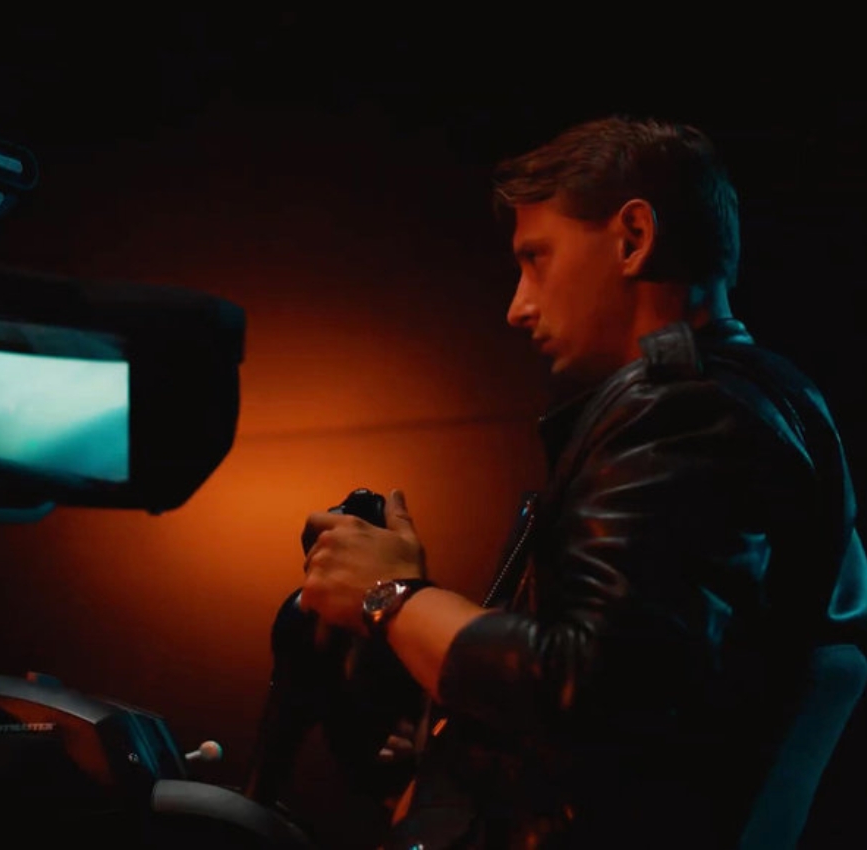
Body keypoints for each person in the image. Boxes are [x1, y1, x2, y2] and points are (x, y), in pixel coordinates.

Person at [297, 115, 867, 849]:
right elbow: (652, 701)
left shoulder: (684, 414)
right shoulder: (753, 399)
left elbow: (581, 684)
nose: (518, 306)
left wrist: (389, 595)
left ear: (633, 238)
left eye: (536, 259)